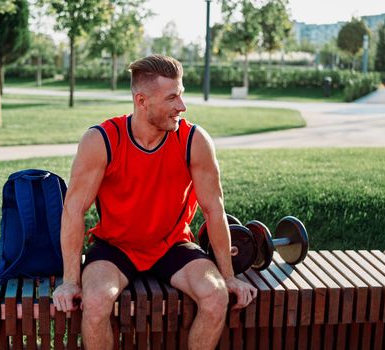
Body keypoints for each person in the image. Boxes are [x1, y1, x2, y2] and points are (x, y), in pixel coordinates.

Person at [52, 55, 257, 350]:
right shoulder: (102, 140)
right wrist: (70, 280)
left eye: (181, 95)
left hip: (172, 245)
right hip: (115, 248)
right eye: (172, 97)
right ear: (141, 100)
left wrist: (228, 276)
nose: (182, 107)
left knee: (216, 296)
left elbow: (214, 210)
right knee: (95, 301)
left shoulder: (193, 140)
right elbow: (74, 209)